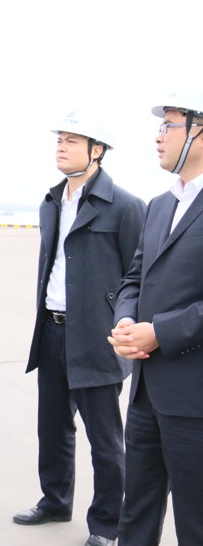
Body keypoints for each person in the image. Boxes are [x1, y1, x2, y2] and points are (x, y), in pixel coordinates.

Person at [13, 110, 146, 546]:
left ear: (97, 151)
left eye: (72, 140)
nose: (61, 146)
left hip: (98, 337)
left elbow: (138, 276)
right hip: (52, 329)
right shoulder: (51, 202)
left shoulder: (125, 206)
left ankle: (107, 524)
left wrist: (124, 325)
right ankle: (55, 501)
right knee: (52, 428)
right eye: (59, 139)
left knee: (105, 439)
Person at [108, 90, 203, 545]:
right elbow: (134, 277)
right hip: (146, 391)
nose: (159, 136)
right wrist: (126, 322)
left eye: (169, 125)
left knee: (195, 520)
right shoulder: (159, 205)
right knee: (137, 514)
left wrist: (160, 332)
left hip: (194, 397)